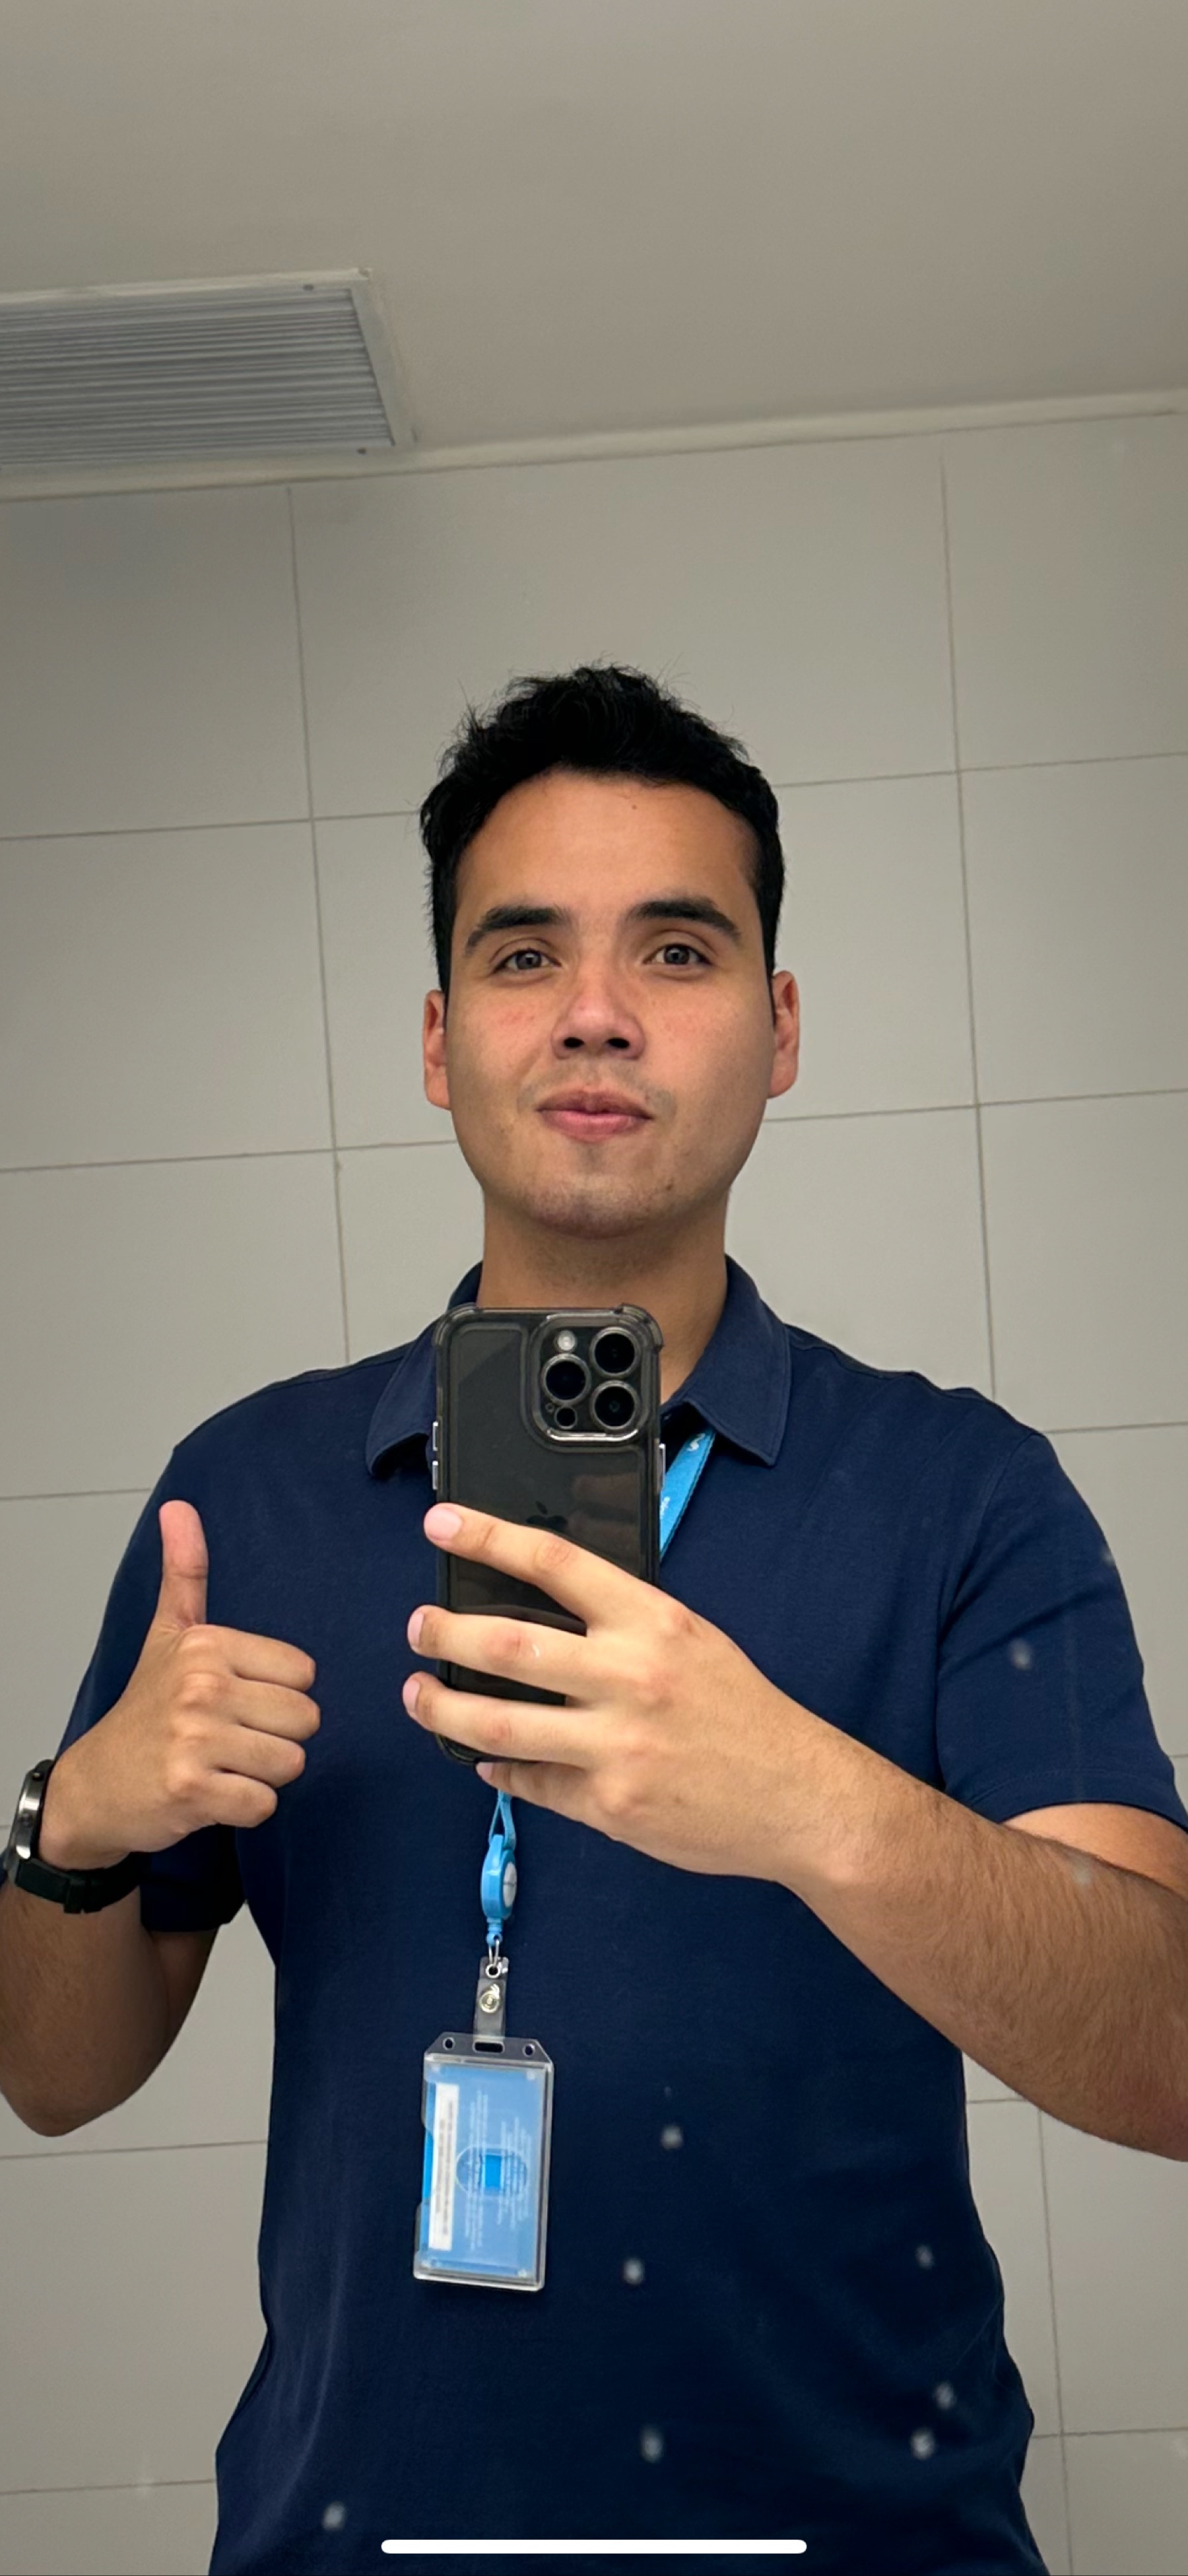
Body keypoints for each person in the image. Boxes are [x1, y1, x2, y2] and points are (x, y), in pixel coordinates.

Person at [3, 663, 1187, 2576]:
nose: (598, 1012)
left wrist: (809, 1802)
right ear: (438, 1036)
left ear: (780, 1028)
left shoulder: (962, 1494)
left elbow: (1169, 2056)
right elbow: (56, 2080)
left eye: (679, 950)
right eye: (525, 951)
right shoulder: (250, 1494)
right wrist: (70, 1827)